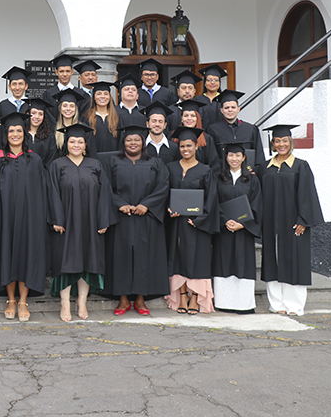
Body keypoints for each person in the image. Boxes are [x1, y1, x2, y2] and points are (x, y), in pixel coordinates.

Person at [0, 112, 52, 322]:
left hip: (30, 219)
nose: (15, 134)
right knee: (7, 257)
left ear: (24, 134)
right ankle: (10, 300)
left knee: (26, 257)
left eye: (19, 130)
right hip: (3, 219)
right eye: (11, 131)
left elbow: (43, 192)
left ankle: (23, 301)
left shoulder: (35, 160)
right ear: (6, 134)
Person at [48, 123, 113, 322]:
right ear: (66, 143)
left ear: (85, 144)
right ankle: (65, 302)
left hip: (91, 222)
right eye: (72, 141)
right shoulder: (57, 165)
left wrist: (103, 220)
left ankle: (82, 300)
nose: (76, 145)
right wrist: (57, 219)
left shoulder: (95, 164)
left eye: (80, 141)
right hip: (65, 223)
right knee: (65, 262)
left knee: (88, 260)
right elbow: (52, 193)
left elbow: (105, 194)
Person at [104, 124, 170, 316]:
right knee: (120, 257)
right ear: (123, 142)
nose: (133, 143)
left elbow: (163, 186)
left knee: (144, 257)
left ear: (143, 142)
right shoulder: (112, 162)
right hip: (121, 218)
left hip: (146, 217)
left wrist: (146, 205)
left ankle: (141, 299)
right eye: (128, 140)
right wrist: (119, 203)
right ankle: (123, 299)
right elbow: (106, 186)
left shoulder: (156, 163)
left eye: (137, 140)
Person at [261, 124, 324, 316]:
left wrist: (304, 220)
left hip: (294, 223)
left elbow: (308, 194)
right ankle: (277, 304)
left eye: (285, 141)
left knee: (295, 261)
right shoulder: (265, 167)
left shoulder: (300, 165)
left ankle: (295, 306)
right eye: (277, 141)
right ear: (272, 143)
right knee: (272, 261)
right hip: (271, 222)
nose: (281, 144)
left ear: (291, 142)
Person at [165, 126, 219, 315]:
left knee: (199, 259)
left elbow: (211, 198)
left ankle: (195, 297)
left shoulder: (206, 170)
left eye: (189, 145)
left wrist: (200, 219)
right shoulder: (171, 168)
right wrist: (168, 209)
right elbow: (165, 194)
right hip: (176, 222)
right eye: (181, 146)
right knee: (177, 256)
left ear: (196, 146)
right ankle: (181, 296)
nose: (185, 149)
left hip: (197, 224)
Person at [213, 142, 262, 314]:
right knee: (223, 263)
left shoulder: (252, 179)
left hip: (244, 231)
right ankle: (224, 302)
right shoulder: (218, 178)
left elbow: (257, 204)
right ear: (226, 158)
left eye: (237, 156)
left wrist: (243, 224)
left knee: (243, 264)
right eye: (231, 155)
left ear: (244, 158)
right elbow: (214, 202)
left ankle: (243, 304)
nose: (234, 159)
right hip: (224, 230)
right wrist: (225, 221)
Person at [206, 89, 266, 174]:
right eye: (226, 108)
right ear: (222, 110)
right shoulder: (213, 130)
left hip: (246, 175)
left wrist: (256, 170)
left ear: (238, 109)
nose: (230, 110)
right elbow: (212, 156)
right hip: (222, 175)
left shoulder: (250, 129)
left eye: (233, 107)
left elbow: (259, 154)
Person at [172, 98, 220, 175]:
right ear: (181, 118)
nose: (189, 118)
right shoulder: (173, 137)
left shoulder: (207, 139)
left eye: (193, 115)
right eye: (186, 115)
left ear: (197, 118)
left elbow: (214, 165)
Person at [52, 88, 96, 159]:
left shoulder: (85, 129)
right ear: (60, 108)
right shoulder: (53, 129)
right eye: (65, 105)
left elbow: (92, 154)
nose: (68, 109)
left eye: (72, 106)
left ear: (76, 109)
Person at [42, 53, 85, 121]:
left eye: (68, 71)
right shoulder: (49, 94)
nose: (65, 74)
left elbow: (82, 116)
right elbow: (48, 116)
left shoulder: (81, 94)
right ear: (56, 72)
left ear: (72, 72)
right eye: (61, 71)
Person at [82, 82, 120, 153]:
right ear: (94, 97)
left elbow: (121, 141)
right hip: (94, 160)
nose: (102, 96)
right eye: (99, 93)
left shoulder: (117, 118)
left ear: (110, 97)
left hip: (114, 159)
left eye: (106, 93)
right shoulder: (87, 118)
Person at [26, 98, 57, 167]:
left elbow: (51, 160)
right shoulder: (21, 135)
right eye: (33, 113)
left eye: (40, 114)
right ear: (28, 114)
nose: (37, 117)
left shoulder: (49, 137)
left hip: (43, 175)